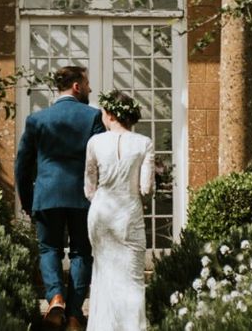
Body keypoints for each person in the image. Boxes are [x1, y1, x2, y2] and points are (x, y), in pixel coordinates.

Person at [15, 66, 104, 331]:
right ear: (76, 86)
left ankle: (55, 298)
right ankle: (75, 315)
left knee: (49, 249)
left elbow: (22, 165)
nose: (89, 89)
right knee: (81, 253)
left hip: (47, 194)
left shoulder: (37, 120)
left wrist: (28, 200)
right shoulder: (93, 117)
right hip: (83, 197)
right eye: (87, 83)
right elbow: (101, 161)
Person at [84, 90, 155, 331]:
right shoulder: (144, 143)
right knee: (132, 277)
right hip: (129, 213)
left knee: (103, 274)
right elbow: (146, 188)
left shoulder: (94, 142)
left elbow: (89, 188)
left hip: (101, 211)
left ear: (111, 114)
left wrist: (103, 198)